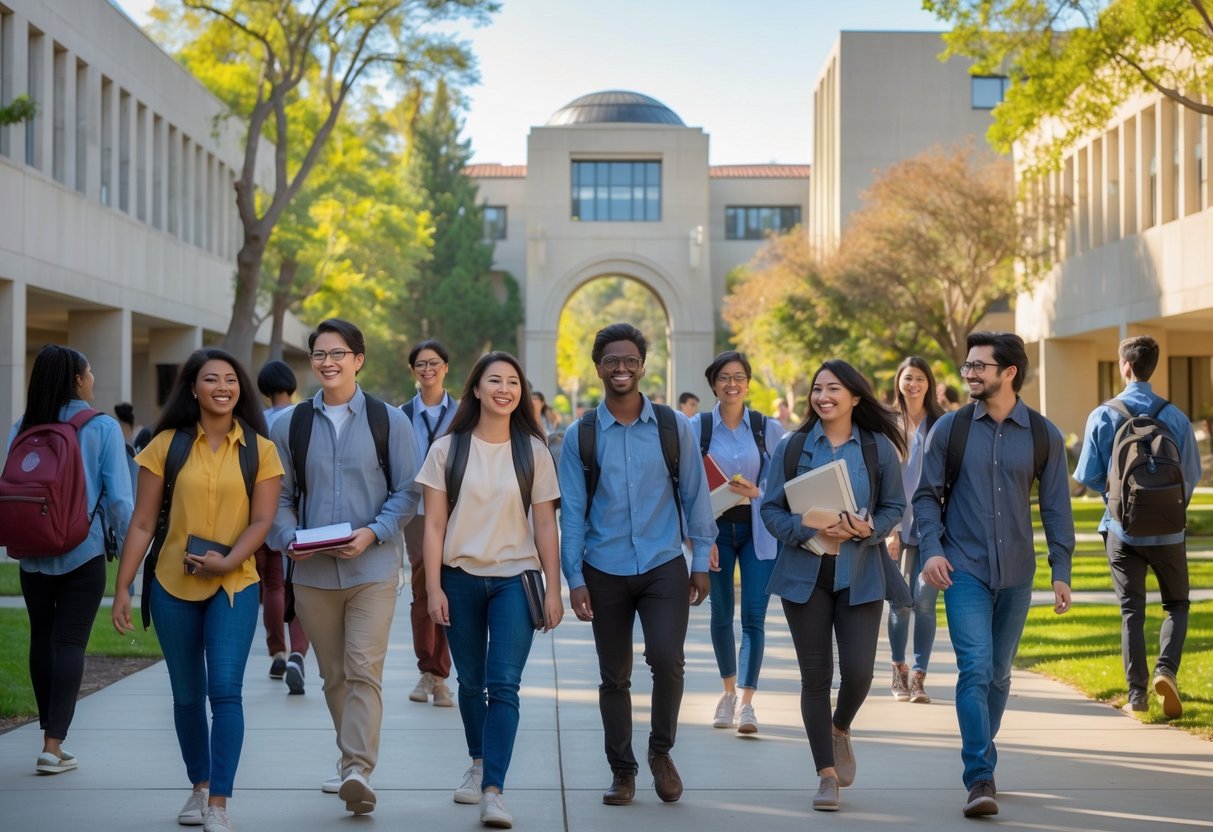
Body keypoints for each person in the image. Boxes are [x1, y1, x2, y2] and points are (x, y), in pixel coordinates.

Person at [111, 348, 283, 832]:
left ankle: (219, 804)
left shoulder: (260, 450)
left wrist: (228, 560)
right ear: (193, 388)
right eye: (211, 379)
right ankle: (199, 786)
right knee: (187, 695)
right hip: (171, 584)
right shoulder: (165, 444)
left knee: (225, 692)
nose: (223, 387)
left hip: (235, 585)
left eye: (231, 379)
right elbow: (143, 523)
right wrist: (123, 587)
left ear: (241, 389)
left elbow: (264, 520)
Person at [914, 331, 1074, 819]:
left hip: (1018, 573)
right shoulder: (951, 430)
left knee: (1000, 675)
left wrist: (1061, 570)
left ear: (1009, 372)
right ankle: (980, 775)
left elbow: (1056, 508)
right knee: (976, 668)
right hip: (963, 568)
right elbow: (925, 496)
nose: (969, 374)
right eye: (967, 366)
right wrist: (933, 551)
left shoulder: (1044, 434)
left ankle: (983, 750)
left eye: (979, 366)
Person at [558, 322, 716, 807]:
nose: (621, 368)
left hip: (663, 563)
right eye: (611, 361)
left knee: (667, 659)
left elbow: (695, 495)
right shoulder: (579, 435)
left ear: (643, 365)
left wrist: (702, 561)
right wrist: (574, 577)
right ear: (598, 367)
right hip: (604, 569)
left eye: (630, 360)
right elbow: (573, 512)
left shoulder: (674, 428)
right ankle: (622, 771)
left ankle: (660, 752)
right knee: (615, 675)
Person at [267, 318, 419, 816]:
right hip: (311, 573)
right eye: (318, 355)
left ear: (358, 359)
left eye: (338, 353)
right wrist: (289, 539)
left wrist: (372, 532)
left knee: (362, 669)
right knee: (333, 674)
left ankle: (357, 768)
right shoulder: (292, 424)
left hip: (371, 569)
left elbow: (407, 493)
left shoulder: (388, 420)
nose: (327, 362)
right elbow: (282, 496)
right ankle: (348, 760)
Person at [418, 351, 564, 828]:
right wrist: (433, 588)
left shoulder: (534, 451)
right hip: (458, 580)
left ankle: (493, 789)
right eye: (494, 380)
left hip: (515, 580)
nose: (505, 389)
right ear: (476, 389)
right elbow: (434, 524)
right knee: (470, 683)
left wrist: (554, 588)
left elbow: (545, 524)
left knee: (504, 685)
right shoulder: (447, 448)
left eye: (513, 383)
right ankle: (478, 760)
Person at [760, 360, 906, 812]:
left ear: (856, 397)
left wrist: (868, 529)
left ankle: (839, 728)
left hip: (860, 574)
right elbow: (771, 510)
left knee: (860, 672)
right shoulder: (793, 446)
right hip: (806, 578)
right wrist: (807, 529)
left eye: (834, 388)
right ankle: (826, 775)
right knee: (815, 678)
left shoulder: (877, 448)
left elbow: (894, 505)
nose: (823, 396)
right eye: (817, 388)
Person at [6, 346, 133, 775]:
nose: (93, 377)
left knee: (42, 638)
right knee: (70, 642)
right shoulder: (102, 427)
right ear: (79, 380)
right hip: (83, 550)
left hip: (32, 553)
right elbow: (119, 500)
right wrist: (132, 554)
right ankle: (52, 744)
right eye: (91, 371)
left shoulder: (22, 426)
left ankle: (49, 737)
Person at [1073, 335, 1201, 717]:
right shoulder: (1175, 416)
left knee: (1132, 610)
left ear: (1125, 366)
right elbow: (1190, 476)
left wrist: (1121, 498)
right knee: (1177, 605)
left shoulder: (1104, 414)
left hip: (1122, 530)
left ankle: (1137, 695)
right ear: (1152, 367)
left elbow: (1088, 475)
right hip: (1170, 533)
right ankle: (1166, 670)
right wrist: (1165, 506)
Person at [691, 351, 785, 734]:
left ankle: (747, 703)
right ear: (713, 384)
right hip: (714, 533)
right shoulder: (696, 427)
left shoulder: (767, 428)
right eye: (724, 378)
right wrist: (700, 537)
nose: (732, 384)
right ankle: (727, 693)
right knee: (720, 614)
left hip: (755, 533)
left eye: (739, 377)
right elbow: (689, 487)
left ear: (748, 383)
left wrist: (755, 491)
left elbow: (780, 485)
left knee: (754, 618)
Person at [886, 357, 945, 704]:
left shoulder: (941, 423)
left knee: (924, 601)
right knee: (900, 602)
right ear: (899, 382)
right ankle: (899, 669)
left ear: (929, 383)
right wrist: (890, 529)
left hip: (931, 524)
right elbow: (882, 477)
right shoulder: (888, 423)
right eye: (908, 378)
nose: (913, 384)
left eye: (920, 378)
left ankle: (919, 676)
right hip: (896, 523)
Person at [401, 340, 457, 708]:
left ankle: (440, 674)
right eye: (420, 364)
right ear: (413, 371)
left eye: (433, 363)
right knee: (424, 586)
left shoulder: (466, 412)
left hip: (457, 510)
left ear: (446, 367)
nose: (427, 369)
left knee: (452, 585)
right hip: (418, 511)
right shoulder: (401, 414)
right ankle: (429, 671)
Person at [254, 360, 310, 692]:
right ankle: (299, 653)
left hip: (262, 509)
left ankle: (277, 650)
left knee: (272, 584)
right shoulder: (304, 416)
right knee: (301, 585)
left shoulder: (256, 421)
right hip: (297, 510)